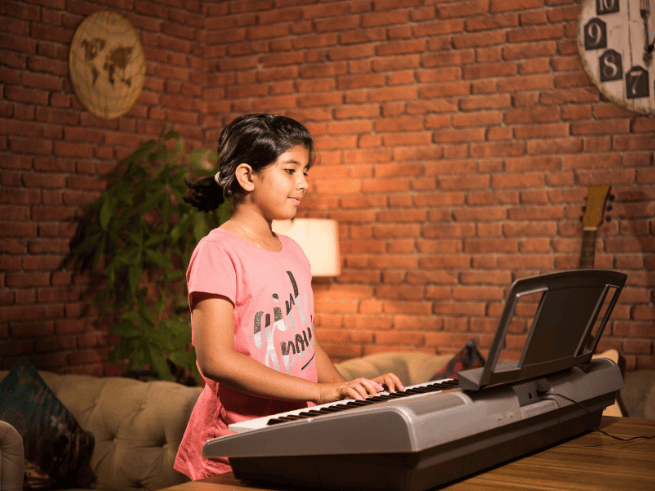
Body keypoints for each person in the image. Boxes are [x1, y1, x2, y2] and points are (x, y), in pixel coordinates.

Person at [174, 114, 404, 480]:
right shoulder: (217, 251)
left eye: (306, 172)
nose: (303, 184)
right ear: (248, 176)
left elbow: (304, 342)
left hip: (289, 437)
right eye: (291, 170)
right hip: (231, 449)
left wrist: (349, 393)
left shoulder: (294, 250)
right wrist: (319, 391)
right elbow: (216, 360)